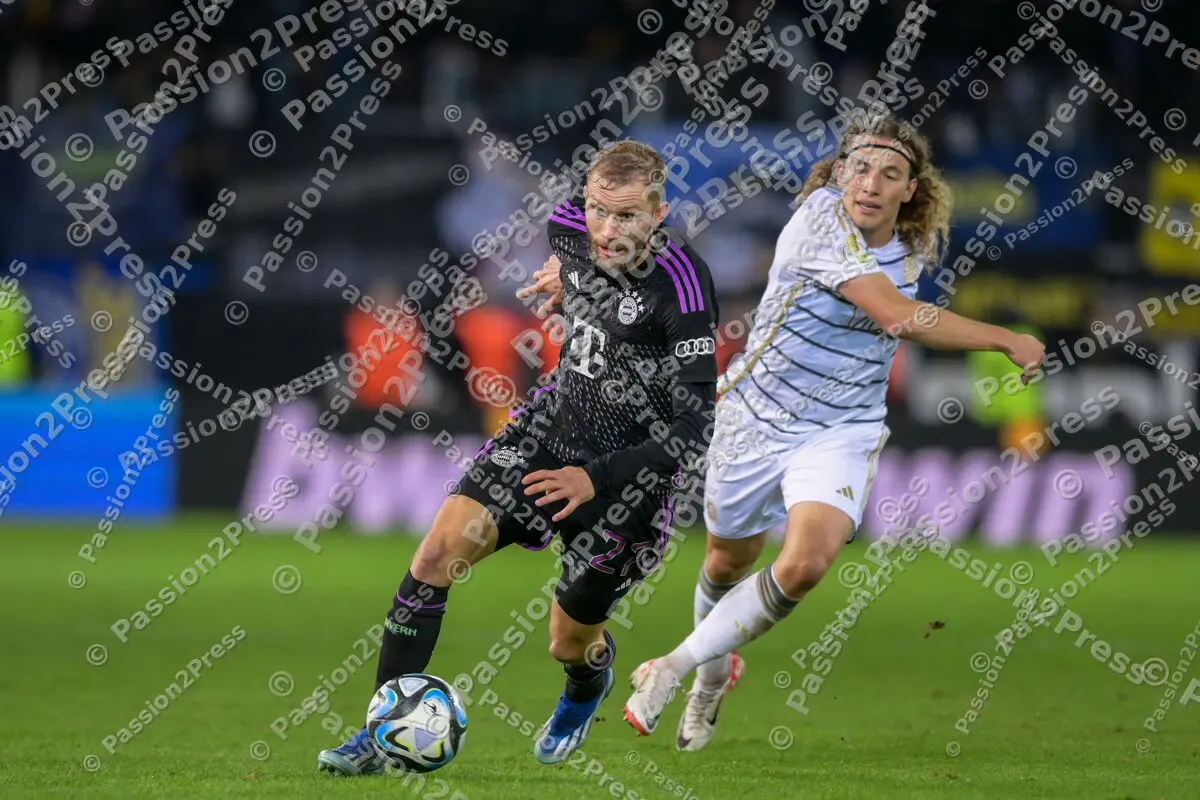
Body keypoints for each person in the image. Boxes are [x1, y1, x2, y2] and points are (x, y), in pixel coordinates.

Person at [618, 113, 1047, 747]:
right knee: (726, 559)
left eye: (891, 174)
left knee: (806, 563)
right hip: (754, 417)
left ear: (910, 189)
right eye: (861, 168)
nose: (871, 183)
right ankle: (712, 678)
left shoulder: (910, 244)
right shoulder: (820, 220)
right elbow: (898, 317)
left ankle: (673, 669)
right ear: (840, 172)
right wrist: (1006, 338)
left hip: (841, 429)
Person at [317, 139, 721, 775]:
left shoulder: (685, 289)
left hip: (625, 483)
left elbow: (698, 424)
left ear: (659, 212)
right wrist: (577, 274)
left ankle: (589, 683)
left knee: (569, 640)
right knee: (433, 555)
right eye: (597, 211)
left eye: (625, 217)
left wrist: (595, 479)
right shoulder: (571, 227)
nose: (606, 229)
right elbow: (580, 245)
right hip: (545, 437)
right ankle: (380, 727)